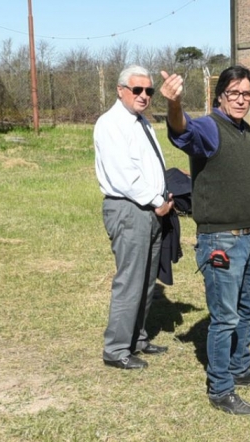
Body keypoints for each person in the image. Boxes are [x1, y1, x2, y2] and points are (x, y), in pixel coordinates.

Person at [160, 65, 250, 416]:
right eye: (233, 93)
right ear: (219, 96)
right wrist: (174, 105)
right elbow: (183, 131)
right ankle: (220, 388)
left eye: (247, 94)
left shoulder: (246, 131)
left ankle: (239, 368)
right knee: (224, 318)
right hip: (221, 240)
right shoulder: (211, 127)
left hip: (248, 236)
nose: (241, 100)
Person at [94, 65, 173, 370]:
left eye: (149, 91)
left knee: (147, 277)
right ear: (120, 90)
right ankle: (116, 349)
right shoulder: (110, 124)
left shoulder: (141, 122)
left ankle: (137, 338)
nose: (144, 96)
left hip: (150, 209)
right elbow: (124, 175)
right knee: (130, 280)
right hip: (129, 209)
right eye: (137, 90)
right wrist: (156, 201)